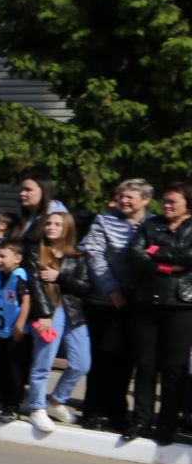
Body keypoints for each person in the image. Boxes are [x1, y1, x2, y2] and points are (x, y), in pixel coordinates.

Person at [122, 180, 192, 445]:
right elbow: (134, 254)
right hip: (147, 301)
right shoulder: (151, 225)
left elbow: (190, 255)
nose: (167, 205)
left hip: (182, 304)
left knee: (174, 368)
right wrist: (166, 266)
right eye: (165, 200)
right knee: (145, 365)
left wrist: (157, 252)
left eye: (173, 201)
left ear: (187, 204)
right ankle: (141, 420)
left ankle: (167, 424)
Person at [79, 179, 150, 431]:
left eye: (131, 196)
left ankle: (118, 411)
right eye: (121, 196)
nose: (124, 201)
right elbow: (95, 255)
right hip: (104, 301)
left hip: (140, 303)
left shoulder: (153, 224)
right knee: (103, 357)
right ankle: (94, 410)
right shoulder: (103, 220)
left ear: (145, 200)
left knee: (126, 360)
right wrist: (113, 290)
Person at [24, 211, 91, 431]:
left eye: (57, 224)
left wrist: (59, 277)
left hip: (73, 312)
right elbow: (34, 284)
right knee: (43, 362)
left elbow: (85, 287)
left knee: (82, 363)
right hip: (49, 312)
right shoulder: (35, 251)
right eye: (49, 224)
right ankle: (37, 407)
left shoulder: (78, 255)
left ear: (68, 228)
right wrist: (44, 314)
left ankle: (56, 401)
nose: (51, 227)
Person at [0, 241, 35, 424]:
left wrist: (20, 324)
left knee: (14, 371)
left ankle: (12, 405)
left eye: (2, 256)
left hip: (14, 333)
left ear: (17, 259)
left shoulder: (19, 276)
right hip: (0, 331)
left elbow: (26, 301)